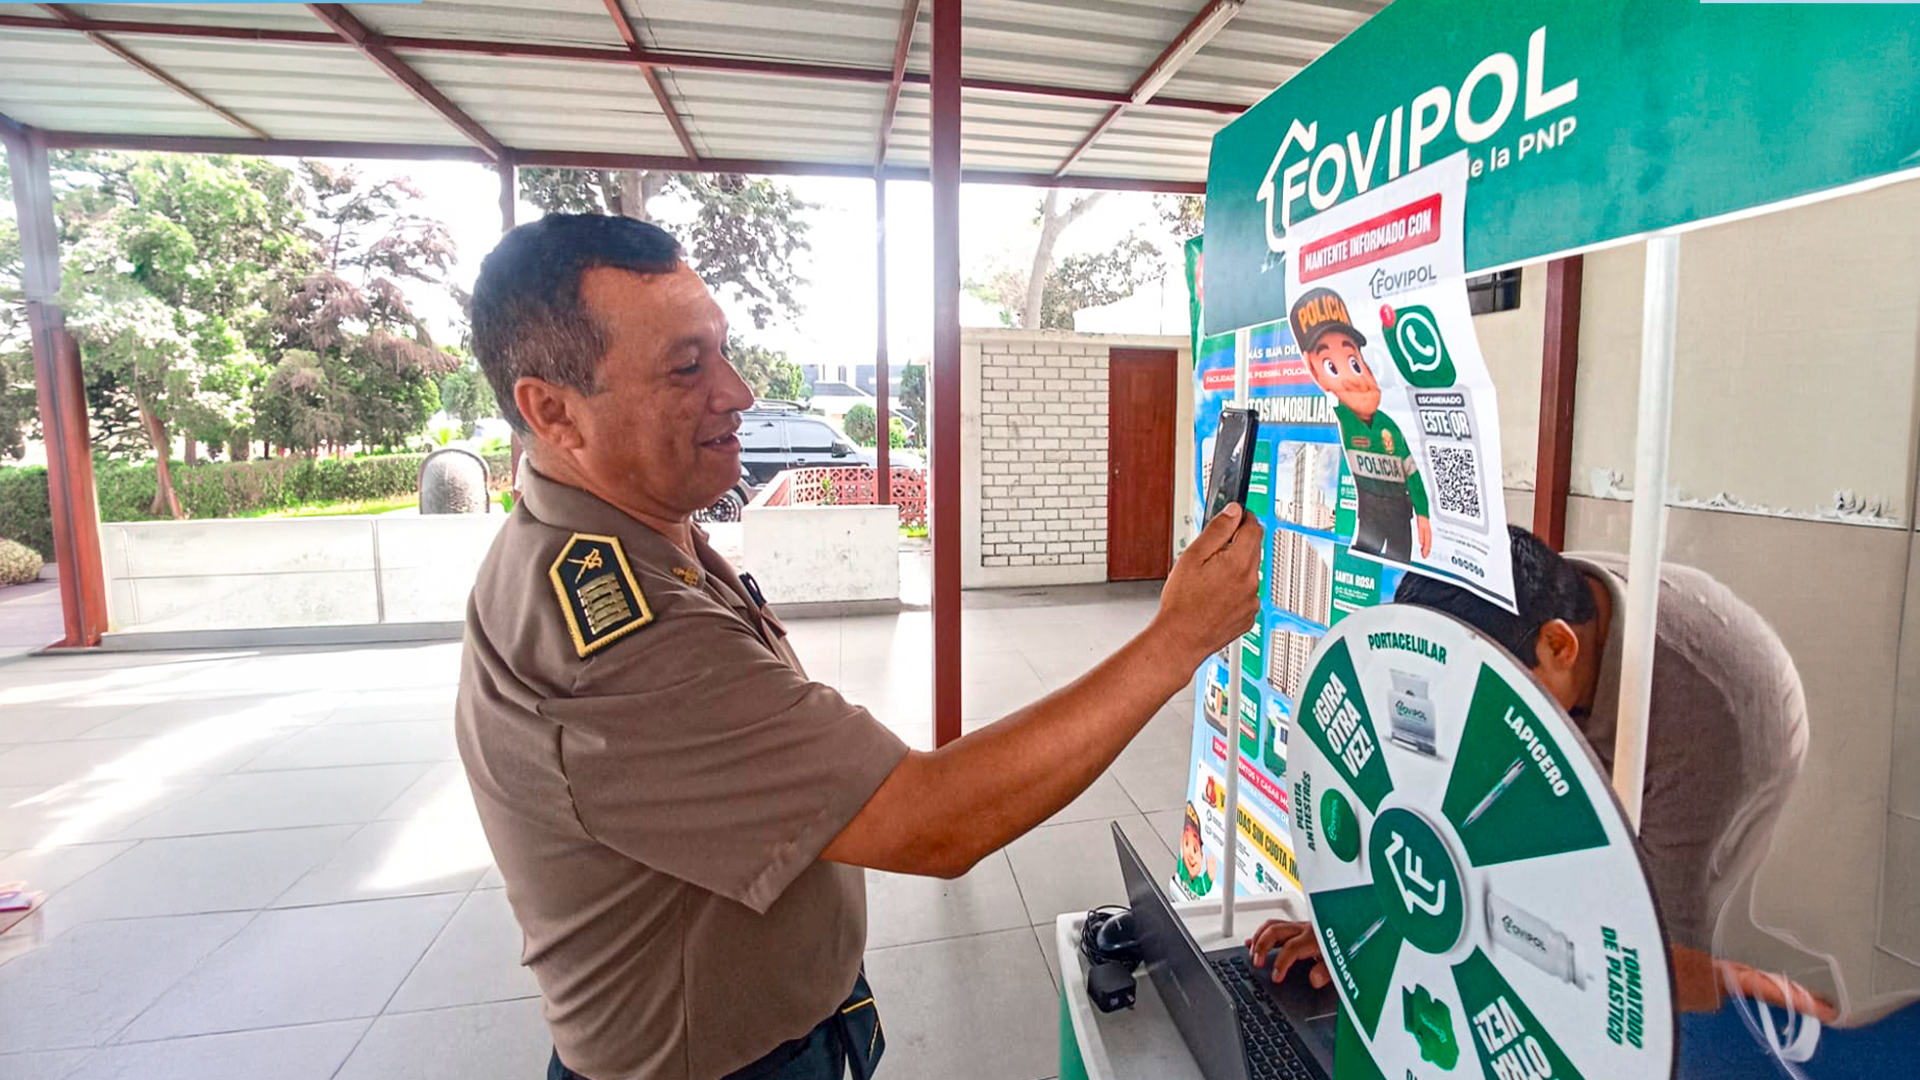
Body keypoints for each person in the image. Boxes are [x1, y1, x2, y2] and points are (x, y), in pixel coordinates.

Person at [457, 214, 1265, 1080]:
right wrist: (1174, 642)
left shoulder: (644, 536)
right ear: (553, 411)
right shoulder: (617, 639)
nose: (735, 391)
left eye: (722, 351)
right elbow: (934, 821)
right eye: (686, 367)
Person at [1246, 526, 1835, 1022]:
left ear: (1560, 647)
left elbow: (1654, 960)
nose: (1468, 738)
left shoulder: (1699, 730)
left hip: (1740, 728)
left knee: (1654, 979)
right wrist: (1363, 925)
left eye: (1485, 714)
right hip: (1615, 689)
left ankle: (1796, 1015)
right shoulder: (1509, 621)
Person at [1292, 286, 1432, 561]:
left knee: (1398, 566)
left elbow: (1411, 472)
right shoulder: (1339, 417)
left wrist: (1423, 514)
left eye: (1354, 363)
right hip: (1368, 512)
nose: (1353, 378)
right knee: (1360, 563)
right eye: (1332, 366)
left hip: (1399, 512)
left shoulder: (1389, 425)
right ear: (1316, 373)